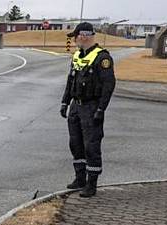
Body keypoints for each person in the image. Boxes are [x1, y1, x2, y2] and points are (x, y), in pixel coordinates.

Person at [60, 22, 116, 198]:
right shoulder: (77, 55)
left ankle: (92, 184)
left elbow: (109, 85)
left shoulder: (102, 58)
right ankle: (80, 178)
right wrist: (65, 102)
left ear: (84, 36)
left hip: (91, 106)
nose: (75, 39)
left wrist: (101, 109)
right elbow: (71, 81)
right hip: (76, 106)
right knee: (75, 144)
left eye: (76, 36)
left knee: (91, 145)